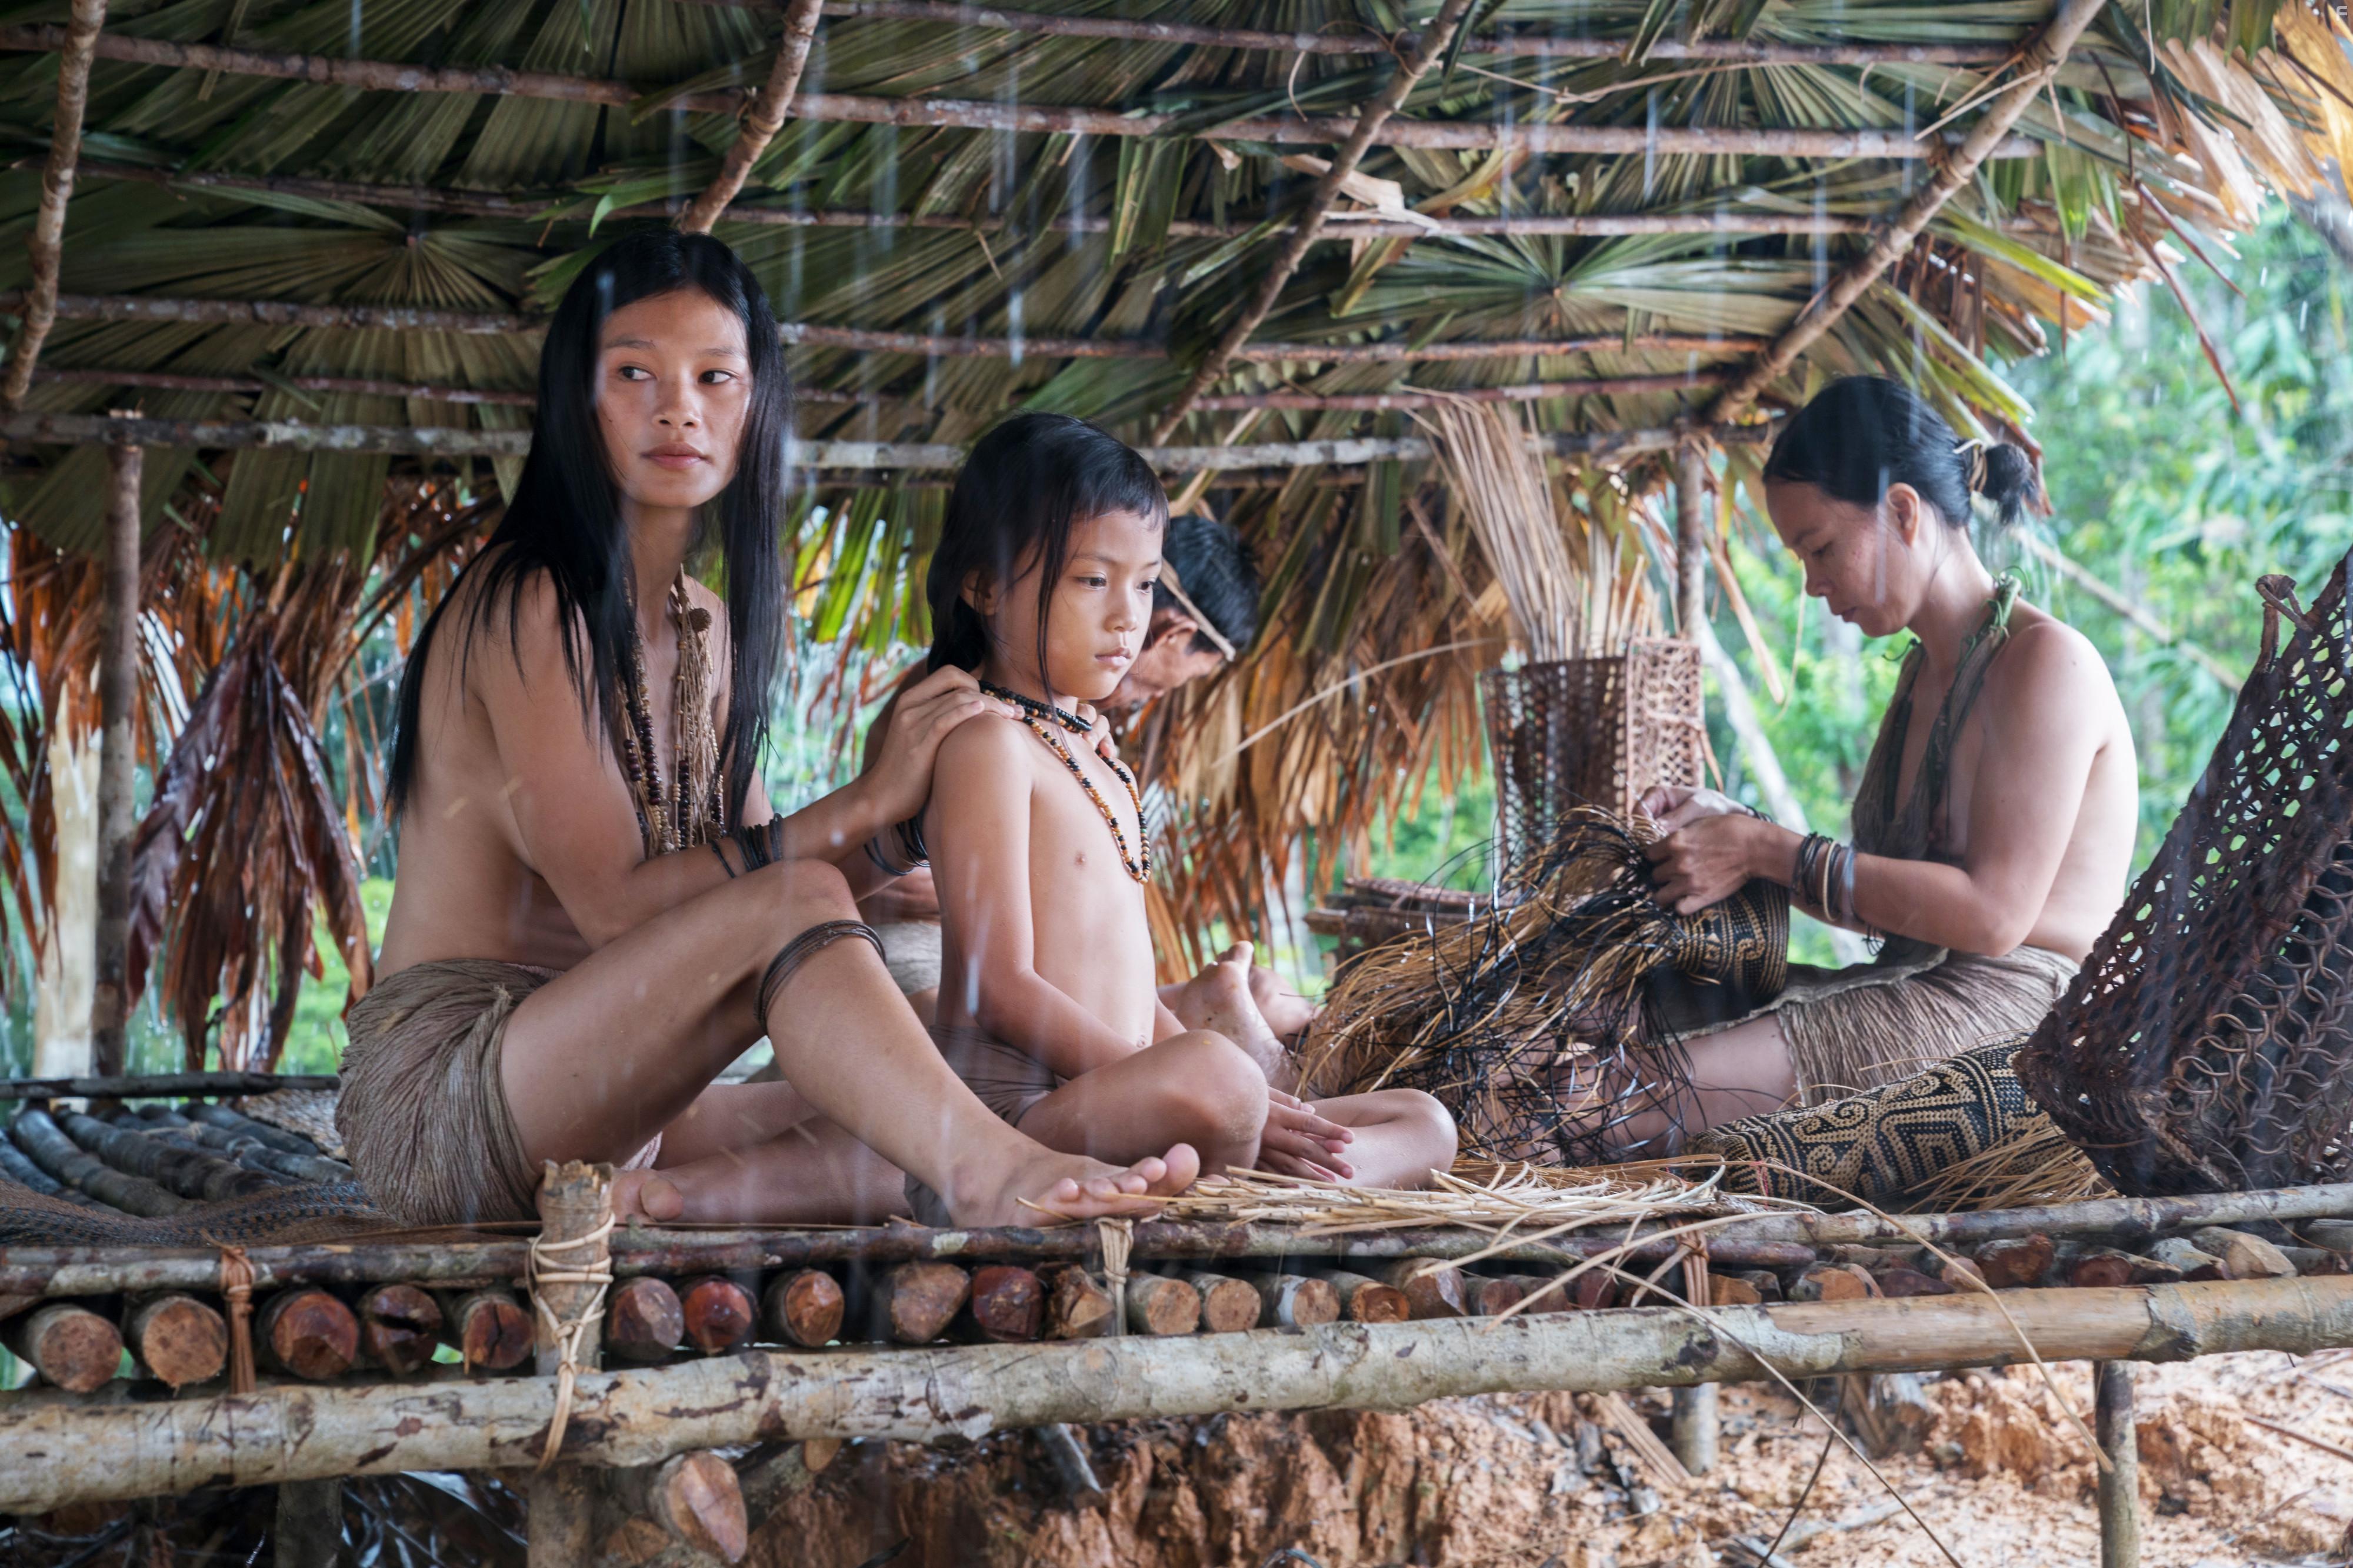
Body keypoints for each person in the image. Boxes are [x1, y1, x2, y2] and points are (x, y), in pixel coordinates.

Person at [336, 231, 1197, 1228]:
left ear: (757, 405)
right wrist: (871, 802)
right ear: (578, 399)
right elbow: (629, 911)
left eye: (715, 377)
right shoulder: (532, 601)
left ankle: (977, 1156)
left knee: (895, 1114)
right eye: (634, 374)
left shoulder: (708, 621)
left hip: (610, 1095)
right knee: (862, 997)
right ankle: (986, 1171)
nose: (678, 408)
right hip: (455, 1101)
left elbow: (753, 878)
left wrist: (912, 840)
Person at [910, 412, 1457, 1206]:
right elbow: (1002, 988)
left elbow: (1134, 1003)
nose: (1128, 616)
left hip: (1137, 1096)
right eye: (1092, 580)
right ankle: (1236, 1161)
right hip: (1021, 1118)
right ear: (986, 584)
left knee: (1425, 1119)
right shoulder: (987, 745)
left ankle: (1268, 1172)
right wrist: (1214, 1082)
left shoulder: (1095, 756)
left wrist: (1237, 1090)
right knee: (1217, 1077)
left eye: (1142, 582)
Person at [1603, 376, 2137, 1151]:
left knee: (1626, 1097)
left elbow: (1992, 917)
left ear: (1902, 511)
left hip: (2031, 1019)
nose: (1812, 584)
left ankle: (1421, 1148)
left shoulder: (2047, 662)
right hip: (1920, 984)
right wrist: (1739, 836)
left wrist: (1769, 849)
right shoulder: (1921, 675)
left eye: (1820, 548)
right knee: (1635, 1012)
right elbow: (1889, 904)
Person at [856, 510, 1314, 1042]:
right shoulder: (969, 713)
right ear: (1174, 635)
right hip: (922, 953)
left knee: (1267, 996)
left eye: (1143, 586)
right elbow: (901, 885)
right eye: (1159, 692)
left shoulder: (1081, 737)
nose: (1144, 698)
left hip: (1035, 976)